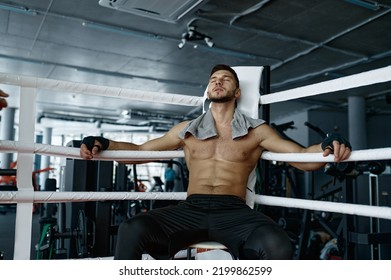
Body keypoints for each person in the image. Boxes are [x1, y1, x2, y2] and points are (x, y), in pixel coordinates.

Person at [80, 64, 351, 260]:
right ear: (208, 91)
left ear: (236, 93)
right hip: (190, 209)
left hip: (234, 212)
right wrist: (104, 143)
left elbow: (303, 158)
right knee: (132, 228)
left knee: (277, 242)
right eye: (213, 79)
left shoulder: (257, 131)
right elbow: (140, 151)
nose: (218, 82)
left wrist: (329, 144)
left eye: (226, 79)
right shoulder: (186, 129)